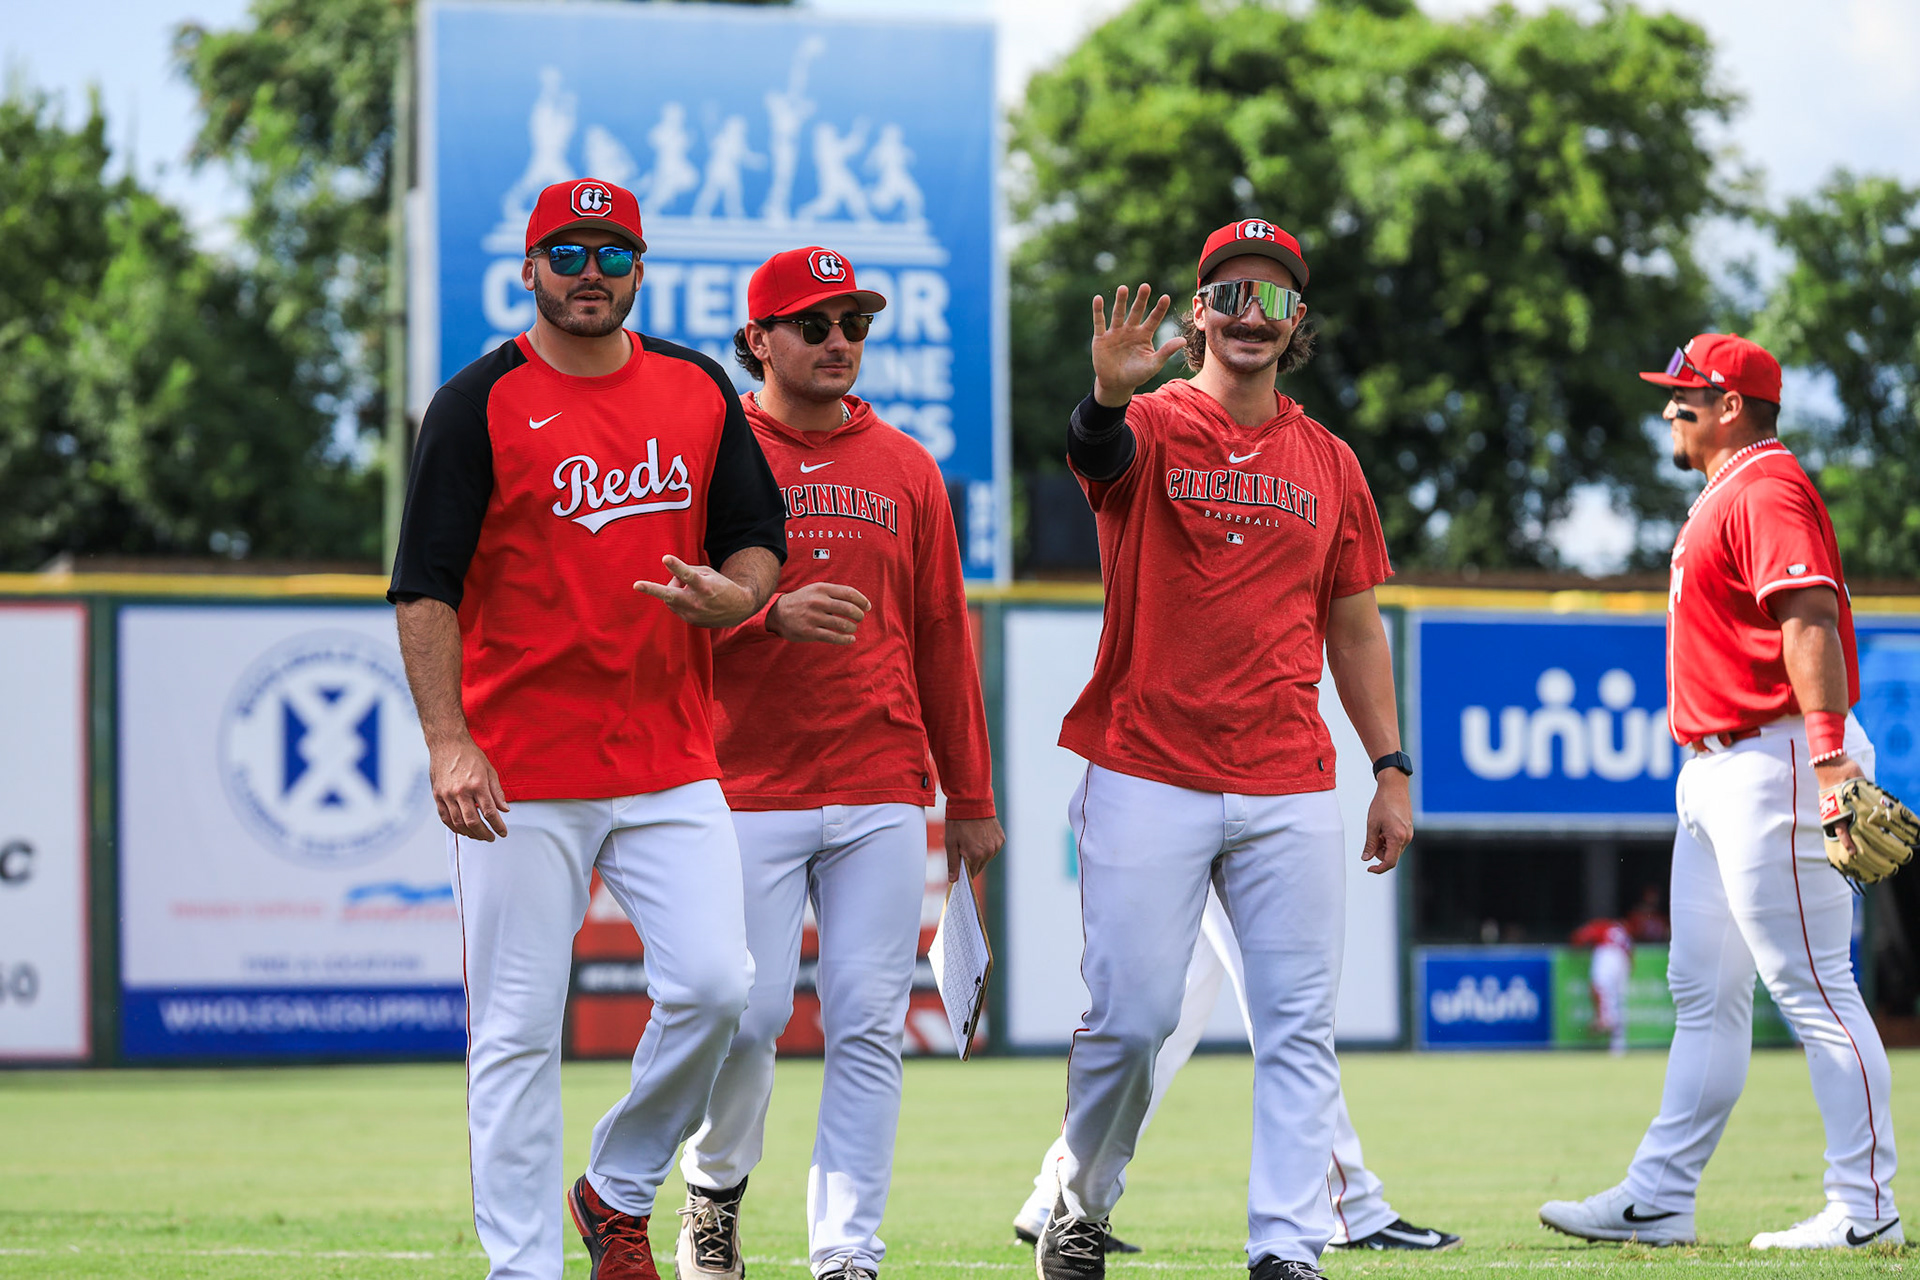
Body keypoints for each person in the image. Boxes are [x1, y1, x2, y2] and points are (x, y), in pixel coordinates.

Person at [388, 178, 788, 1280]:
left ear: (641, 270)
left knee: (721, 984)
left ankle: (615, 1182)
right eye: (567, 253)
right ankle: (524, 1266)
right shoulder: (476, 403)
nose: (591, 273)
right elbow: (424, 589)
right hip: (521, 768)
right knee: (517, 1030)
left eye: (613, 253)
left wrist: (739, 593)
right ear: (530, 269)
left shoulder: (698, 385)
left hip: (669, 754)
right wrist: (446, 739)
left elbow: (760, 538)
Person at [1031, 220, 1414, 1280]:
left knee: (1297, 1027)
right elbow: (1095, 453)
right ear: (1199, 311)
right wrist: (1105, 395)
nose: (1252, 313)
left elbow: (1354, 622)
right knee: (1132, 1018)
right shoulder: (1149, 423)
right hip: (1147, 764)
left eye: (1275, 297)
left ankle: (1286, 1245)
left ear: (1297, 323)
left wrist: (1390, 766)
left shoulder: (1329, 458)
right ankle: (1080, 1197)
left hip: (1289, 777)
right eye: (1230, 293)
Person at [672, 246, 1006, 1280]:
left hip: (877, 781)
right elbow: (665, 614)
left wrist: (972, 793)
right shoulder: (712, 455)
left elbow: (946, 631)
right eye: (814, 325)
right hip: (744, 780)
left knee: (868, 1022)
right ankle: (715, 1191)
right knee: (750, 1011)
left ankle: (847, 1248)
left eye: (854, 324)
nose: (838, 343)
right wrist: (768, 618)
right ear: (758, 339)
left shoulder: (907, 466)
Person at [1539, 333, 1901, 1250]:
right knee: (1702, 990)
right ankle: (1661, 1196)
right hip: (1715, 771)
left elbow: (1810, 619)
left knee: (1814, 987)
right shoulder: (1728, 490)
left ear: (1731, 404)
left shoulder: (1767, 485)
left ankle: (1864, 1209)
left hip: (1777, 758)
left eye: (1685, 395)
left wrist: (1827, 761)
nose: (1669, 408)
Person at [1012, 887, 1460, 1253]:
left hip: (1206, 800)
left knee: (1178, 1015)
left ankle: (1056, 1194)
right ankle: (1351, 1205)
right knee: (1282, 1009)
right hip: (1227, 798)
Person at [1569, 918, 1634, 1056]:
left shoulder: (1600, 926)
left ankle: (1604, 1017)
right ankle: (1618, 1045)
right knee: (1620, 1001)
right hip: (1623, 960)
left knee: (1599, 986)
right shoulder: (1623, 931)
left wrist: (1576, 947)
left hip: (1607, 953)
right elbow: (1630, 955)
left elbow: (1580, 937)